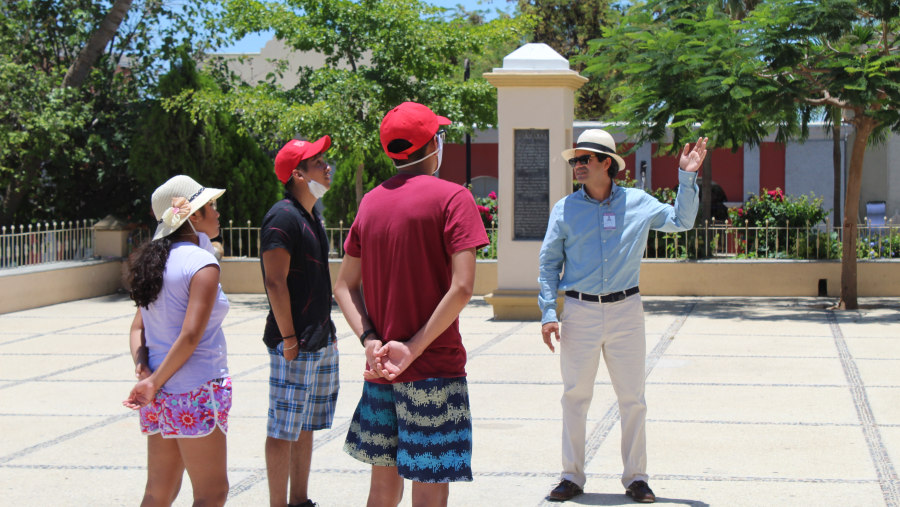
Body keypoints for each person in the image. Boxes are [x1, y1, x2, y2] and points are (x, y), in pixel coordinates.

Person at [539, 129, 708, 503]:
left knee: (632, 398)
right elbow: (549, 265)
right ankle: (571, 476)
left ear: (606, 164)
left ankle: (636, 478)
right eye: (574, 160)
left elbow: (682, 220)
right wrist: (549, 312)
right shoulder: (564, 210)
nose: (577, 165)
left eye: (584, 159)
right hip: (580, 312)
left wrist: (687, 177)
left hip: (626, 311)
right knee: (575, 397)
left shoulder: (639, 203)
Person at [333, 101, 488, 507]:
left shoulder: (370, 202)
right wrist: (415, 347)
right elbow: (463, 287)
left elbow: (344, 286)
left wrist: (369, 339)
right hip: (434, 369)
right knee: (430, 486)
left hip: (381, 368)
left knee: (382, 488)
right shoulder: (454, 198)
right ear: (433, 144)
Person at [123, 175, 230, 506]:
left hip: (160, 395)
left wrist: (145, 369)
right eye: (210, 205)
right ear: (192, 216)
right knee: (212, 493)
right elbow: (190, 335)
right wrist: (153, 380)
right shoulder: (202, 262)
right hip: (194, 391)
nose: (217, 212)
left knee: (160, 490)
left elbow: (136, 329)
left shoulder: (153, 264)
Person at [260, 136, 340, 507]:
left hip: (319, 339)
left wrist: (330, 334)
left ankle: (300, 500)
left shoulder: (312, 216)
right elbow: (274, 280)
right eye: (318, 162)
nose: (327, 167)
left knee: (305, 424)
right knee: (283, 428)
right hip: (294, 342)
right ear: (297, 174)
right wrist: (289, 338)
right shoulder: (282, 216)